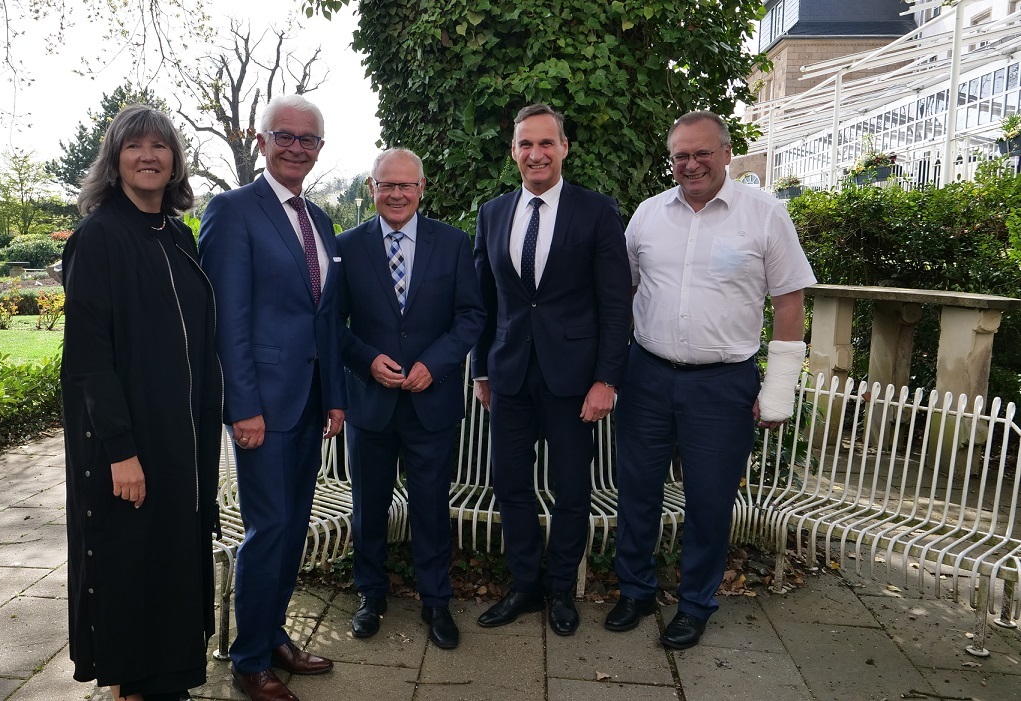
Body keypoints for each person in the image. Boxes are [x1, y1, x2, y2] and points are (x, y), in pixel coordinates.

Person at [607, 110, 815, 650]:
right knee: (637, 492)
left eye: (702, 153)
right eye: (680, 155)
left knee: (708, 499)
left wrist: (778, 389)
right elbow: (623, 295)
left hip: (722, 385)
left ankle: (696, 603)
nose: (691, 164)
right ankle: (635, 590)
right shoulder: (648, 215)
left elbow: (789, 303)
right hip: (647, 375)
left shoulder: (766, 215)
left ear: (726, 153)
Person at [62, 103, 222, 701]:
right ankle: (131, 687)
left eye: (160, 146)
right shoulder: (97, 238)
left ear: (175, 160)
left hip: (183, 438)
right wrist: (120, 452)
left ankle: (170, 683)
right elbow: (87, 359)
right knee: (132, 564)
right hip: (129, 440)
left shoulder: (178, 237)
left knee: (176, 559)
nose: (148, 156)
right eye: (135, 147)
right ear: (115, 160)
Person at [199, 94, 346, 701]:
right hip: (264, 406)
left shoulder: (320, 220)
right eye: (283, 135)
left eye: (307, 139)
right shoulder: (233, 211)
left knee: (292, 528)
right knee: (270, 526)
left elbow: (327, 319)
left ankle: (274, 633)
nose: (295, 146)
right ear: (261, 141)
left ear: (319, 150)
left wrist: (334, 396)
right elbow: (226, 320)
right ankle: (249, 658)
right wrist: (243, 406)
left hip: (309, 403)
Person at [471, 103, 632, 636]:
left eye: (546, 143)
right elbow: (486, 302)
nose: (535, 153)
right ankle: (525, 586)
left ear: (564, 147)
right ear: (513, 151)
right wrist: (481, 370)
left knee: (570, 488)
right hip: (510, 375)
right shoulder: (492, 213)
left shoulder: (596, 210)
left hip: (574, 380)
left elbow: (615, 303)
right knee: (509, 483)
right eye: (525, 144)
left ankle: (561, 587)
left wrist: (607, 379)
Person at [338, 148, 485, 650]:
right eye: (386, 185)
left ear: (423, 188)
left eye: (406, 185)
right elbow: (332, 325)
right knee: (369, 506)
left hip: (431, 403)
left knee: (430, 507)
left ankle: (436, 601)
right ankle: (371, 596)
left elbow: (470, 316)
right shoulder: (347, 246)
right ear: (372, 189)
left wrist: (434, 364)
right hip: (370, 404)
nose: (396, 194)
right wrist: (365, 360)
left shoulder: (453, 244)